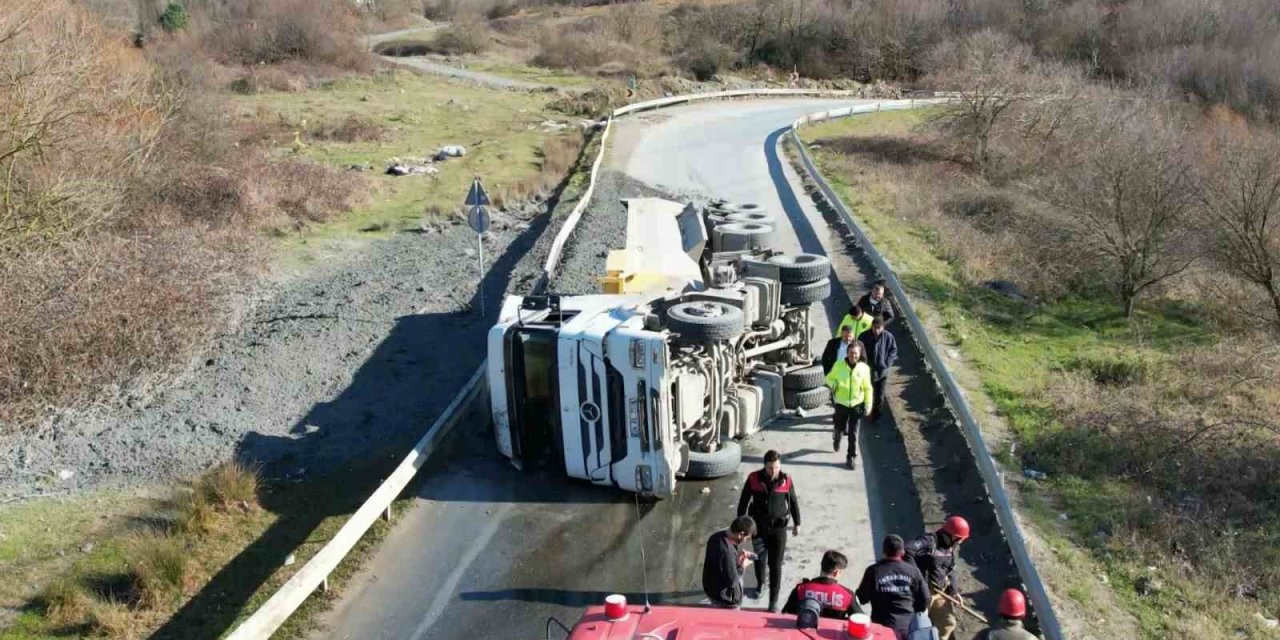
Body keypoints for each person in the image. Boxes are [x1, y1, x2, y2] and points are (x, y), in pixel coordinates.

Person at [737, 450, 802, 612]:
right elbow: (744, 501)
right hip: (758, 529)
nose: (774, 471)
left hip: (778, 530)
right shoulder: (753, 479)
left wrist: (797, 523)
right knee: (759, 559)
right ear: (764, 466)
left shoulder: (786, 480)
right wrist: (741, 525)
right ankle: (760, 584)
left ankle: (773, 600)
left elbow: (793, 502)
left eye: (777, 467)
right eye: (770, 468)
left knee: (776, 565)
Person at [905, 516, 971, 640]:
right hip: (923, 593)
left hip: (940, 593)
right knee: (919, 625)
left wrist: (954, 591)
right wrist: (917, 576)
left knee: (948, 623)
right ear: (954, 537)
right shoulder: (929, 541)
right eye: (960, 539)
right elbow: (907, 549)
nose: (960, 543)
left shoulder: (950, 547)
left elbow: (950, 570)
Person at [855, 535, 930, 640]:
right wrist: (914, 611)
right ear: (902, 552)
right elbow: (926, 598)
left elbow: (862, 598)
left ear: (884, 551)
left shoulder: (873, 571)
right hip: (908, 627)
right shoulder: (913, 571)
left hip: (882, 628)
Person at [825, 341, 873, 469]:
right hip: (841, 403)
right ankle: (837, 436)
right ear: (847, 353)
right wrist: (834, 384)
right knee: (840, 426)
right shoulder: (838, 365)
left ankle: (851, 457)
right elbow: (828, 378)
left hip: (857, 404)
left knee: (853, 433)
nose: (853, 356)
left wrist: (868, 404)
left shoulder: (864, 369)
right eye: (851, 353)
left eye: (856, 353)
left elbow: (868, 388)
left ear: (859, 354)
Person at [782, 550, 861, 619]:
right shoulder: (848, 596)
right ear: (836, 572)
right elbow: (861, 620)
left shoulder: (801, 589)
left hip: (803, 630)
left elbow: (785, 615)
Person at [703, 516, 756, 608]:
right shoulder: (727, 552)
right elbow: (733, 581)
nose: (746, 541)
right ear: (741, 534)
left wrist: (736, 556)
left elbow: (721, 562)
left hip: (712, 589)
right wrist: (742, 566)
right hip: (725, 599)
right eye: (747, 538)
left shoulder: (716, 537)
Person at [858, 318, 898, 423]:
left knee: (880, 395)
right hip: (867, 372)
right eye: (874, 327)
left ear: (883, 328)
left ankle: (876, 417)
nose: (876, 330)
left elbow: (893, 351)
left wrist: (887, 363)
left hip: (881, 372)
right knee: (865, 392)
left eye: (878, 328)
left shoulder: (888, 337)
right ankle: (864, 411)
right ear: (871, 326)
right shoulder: (863, 336)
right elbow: (858, 350)